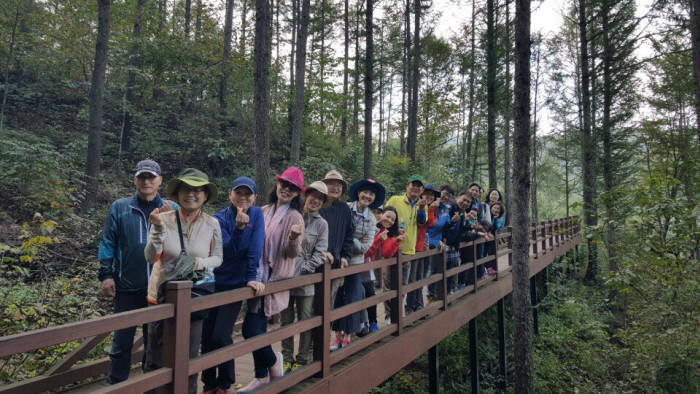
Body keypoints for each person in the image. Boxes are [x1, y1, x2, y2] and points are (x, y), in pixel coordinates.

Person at [143, 168, 222, 394]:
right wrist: (157, 230)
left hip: (194, 296)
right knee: (156, 356)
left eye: (198, 190)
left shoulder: (212, 223)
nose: (191, 194)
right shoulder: (163, 219)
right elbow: (150, 256)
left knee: (188, 355)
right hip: (161, 297)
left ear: (205, 195)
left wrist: (198, 264)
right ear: (177, 193)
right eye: (186, 189)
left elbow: (218, 258)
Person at [97, 159, 173, 385]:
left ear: (160, 181)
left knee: (154, 344)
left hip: (159, 288)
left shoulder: (172, 209)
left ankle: (151, 387)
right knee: (122, 342)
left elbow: (181, 247)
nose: (146, 181)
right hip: (127, 286)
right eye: (142, 177)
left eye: (151, 177)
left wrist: (170, 222)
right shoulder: (120, 207)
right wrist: (106, 274)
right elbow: (107, 241)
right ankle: (116, 385)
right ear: (135, 180)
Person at [239, 167, 305, 393]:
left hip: (272, 279)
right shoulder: (263, 210)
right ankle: (264, 374)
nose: (286, 190)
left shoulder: (295, 217)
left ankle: (269, 367)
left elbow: (292, 253)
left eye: (292, 188)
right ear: (277, 185)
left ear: (297, 193)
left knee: (251, 329)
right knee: (253, 327)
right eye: (284, 184)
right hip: (254, 275)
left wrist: (294, 238)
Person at [201, 177, 266, 394]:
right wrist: (238, 230)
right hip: (213, 282)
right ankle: (209, 384)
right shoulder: (218, 218)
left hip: (236, 284)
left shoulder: (256, 214)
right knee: (207, 335)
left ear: (254, 197)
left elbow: (254, 249)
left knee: (221, 334)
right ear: (231, 194)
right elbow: (224, 253)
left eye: (248, 194)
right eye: (239, 193)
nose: (243, 198)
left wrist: (251, 277)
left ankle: (225, 382)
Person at [280, 181, 330, 372]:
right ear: (305, 195)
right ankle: (286, 358)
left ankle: (301, 360)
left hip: (306, 278)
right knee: (285, 321)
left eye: (320, 198)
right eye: (313, 195)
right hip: (284, 277)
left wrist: (304, 270)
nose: (315, 200)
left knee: (305, 320)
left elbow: (321, 253)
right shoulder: (292, 215)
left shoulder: (322, 224)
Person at [331, 178, 385, 350]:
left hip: (355, 263)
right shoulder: (345, 208)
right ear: (358, 193)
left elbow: (365, 247)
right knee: (338, 297)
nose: (367, 196)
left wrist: (348, 238)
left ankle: (347, 334)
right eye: (365, 192)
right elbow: (334, 232)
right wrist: (354, 239)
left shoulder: (371, 219)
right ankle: (337, 335)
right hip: (338, 260)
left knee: (353, 296)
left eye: (371, 194)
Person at [385, 175, 428, 316]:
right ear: (407, 186)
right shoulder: (395, 200)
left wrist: (421, 208)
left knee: (402, 285)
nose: (415, 188)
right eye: (413, 185)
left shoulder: (422, 204)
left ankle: (396, 315)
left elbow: (422, 222)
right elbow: (384, 219)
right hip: (390, 247)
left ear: (422, 190)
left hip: (408, 250)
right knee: (388, 285)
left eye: (419, 186)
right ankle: (388, 316)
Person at [319, 170, 355, 307]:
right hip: (316, 262)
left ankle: (327, 328)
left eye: (339, 185)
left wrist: (346, 256)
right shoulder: (317, 204)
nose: (335, 188)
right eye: (331, 184)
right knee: (313, 303)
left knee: (329, 301)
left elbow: (349, 235)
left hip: (336, 263)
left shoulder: (344, 208)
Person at [365, 206, 406, 327]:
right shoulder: (372, 227)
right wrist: (378, 239)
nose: (389, 220)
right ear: (381, 214)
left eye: (392, 219)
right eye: (387, 216)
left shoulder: (386, 232)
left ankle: (372, 322)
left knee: (370, 294)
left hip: (370, 267)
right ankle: (364, 323)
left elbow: (386, 254)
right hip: (361, 264)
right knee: (364, 294)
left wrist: (397, 241)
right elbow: (367, 250)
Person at [407, 183, 439, 312]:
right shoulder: (418, 205)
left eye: (431, 195)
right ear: (421, 194)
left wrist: (430, 208)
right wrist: (429, 208)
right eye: (426, 194)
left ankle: (418, 305)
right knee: (412, 279)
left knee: (419, 278)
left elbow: (430, 224)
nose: (429, 197)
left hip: (420, 246)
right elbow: (424, 222)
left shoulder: (428, 208)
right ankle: (410, 307)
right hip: (411, 245)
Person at [425, 184, 453, 301]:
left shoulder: (446, 209)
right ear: (439, 193)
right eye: (444, 193)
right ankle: (429, 295)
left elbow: (446, 226)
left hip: (438, 243)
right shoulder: (431, 206)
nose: (446, 197)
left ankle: (436, 294)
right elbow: (425, 226)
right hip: (427, 243)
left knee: (438, 268)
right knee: (429, 270)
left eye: (449, 195)